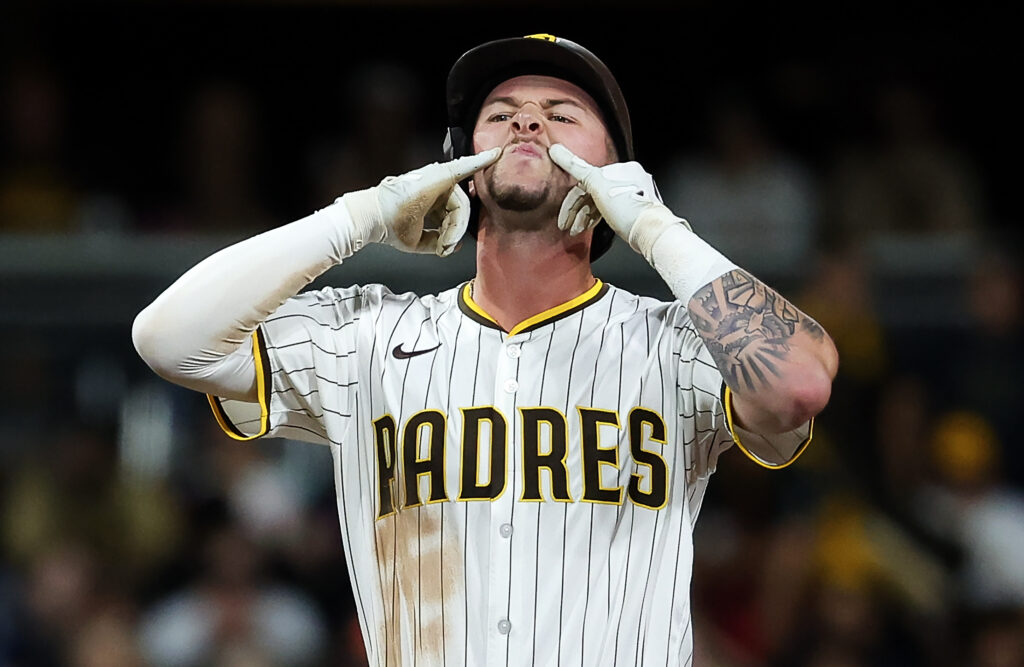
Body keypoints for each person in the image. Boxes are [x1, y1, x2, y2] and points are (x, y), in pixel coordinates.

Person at [132, 33, 838, 667]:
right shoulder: (368, 335)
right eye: (501, 114)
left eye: (562, 115)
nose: (528, 121)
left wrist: (654, 225)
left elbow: (797, 386)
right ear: (463, 167)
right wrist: (362, 214)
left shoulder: (675, 343)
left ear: (617, 174)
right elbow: (169, 339)